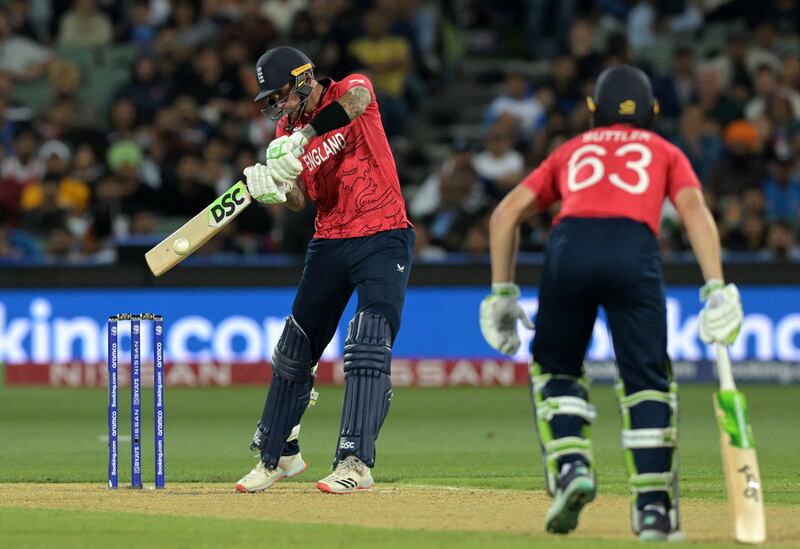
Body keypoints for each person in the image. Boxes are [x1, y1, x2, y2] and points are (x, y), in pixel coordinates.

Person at [479, 65, 743, 540]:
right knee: (646, 381)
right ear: (654, 112)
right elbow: (695, 213)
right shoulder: (664, 150)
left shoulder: (571, 150)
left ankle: (571, 466)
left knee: (557, 369)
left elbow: (505, 215)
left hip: (569, 245)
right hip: (633, 249)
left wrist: (502, 291)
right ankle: (653, 513)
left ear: (592, 111)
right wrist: (716, 285)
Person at [235, 46, 414, 494]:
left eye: (281, 94)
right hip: (329, 240)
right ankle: (278, 456)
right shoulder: (284, 130)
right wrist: (276, 193)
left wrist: (304, 136)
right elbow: (300, 198)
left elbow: (352, 106)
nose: (278, 106)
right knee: (296, 346)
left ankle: (355, 462)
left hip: (383, 233)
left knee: (369, 341)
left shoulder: (353, 88)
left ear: (302, 80)